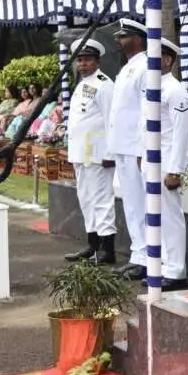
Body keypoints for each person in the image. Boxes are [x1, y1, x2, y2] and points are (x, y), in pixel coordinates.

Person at [63, 40, 117, 265]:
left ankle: (107, 248)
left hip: (98, 152)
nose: (83, 64)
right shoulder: (82, 84)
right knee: (86, 198)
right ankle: (92, 243)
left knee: (102, 199)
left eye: (87, 60)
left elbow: (111, 120)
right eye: (80, 60)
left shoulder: (104, 84)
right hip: (81, 152)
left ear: (98, 61)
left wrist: (110, 153)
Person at [105, 18, 147, 281]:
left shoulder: (144, 66)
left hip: (134, 146)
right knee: (131, 205)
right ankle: (138, 254)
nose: (120, 41)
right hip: (122, 145)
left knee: (139, 204)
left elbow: (145, 111)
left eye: (125, 36)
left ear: (138, 39)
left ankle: (144, 258)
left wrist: (143, 147)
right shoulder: (127, 68)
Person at [150, 37, 188, 290]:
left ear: (168, 59)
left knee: (171, 216)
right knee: (156, 216)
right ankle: (164, 265)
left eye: (159, 56)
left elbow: (180, 132)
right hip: (152, 160)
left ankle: (176, 272)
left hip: (167, 162)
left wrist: (175, 169)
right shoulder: (150, 86)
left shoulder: (175, 89)